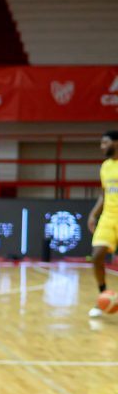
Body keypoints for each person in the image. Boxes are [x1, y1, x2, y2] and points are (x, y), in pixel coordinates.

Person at [87, 130, 118, 319]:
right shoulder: (105, 166)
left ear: (116, 143)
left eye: (105, 143)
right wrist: (93, 215)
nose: (102, 147)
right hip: (108, 216)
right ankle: (103, 296)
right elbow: (104, 194)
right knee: (97, 255)